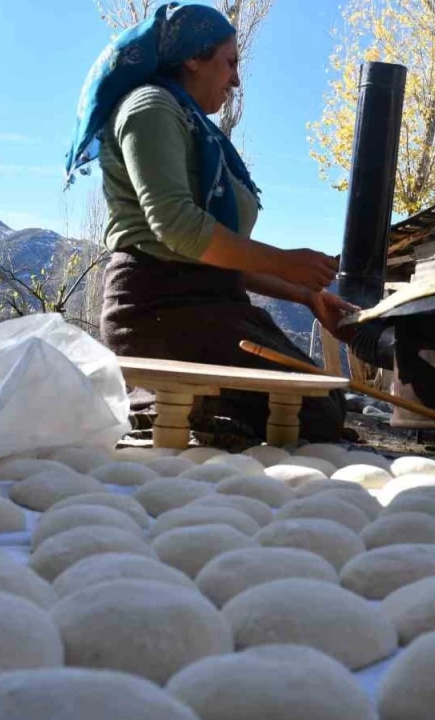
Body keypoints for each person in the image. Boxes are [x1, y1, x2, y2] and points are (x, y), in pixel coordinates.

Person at [64, 2, 356, 442]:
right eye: (230, 62)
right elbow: (178, 228)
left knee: (326, 399)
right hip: (158, 311)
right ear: (193, 59)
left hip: (207, 305)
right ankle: (161, 406)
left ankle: (188, 408)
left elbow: (217, 256)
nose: (236, 80)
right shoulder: (149, 108)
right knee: (311, 415)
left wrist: (307, 296)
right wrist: (284, 261)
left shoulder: (191, 122)